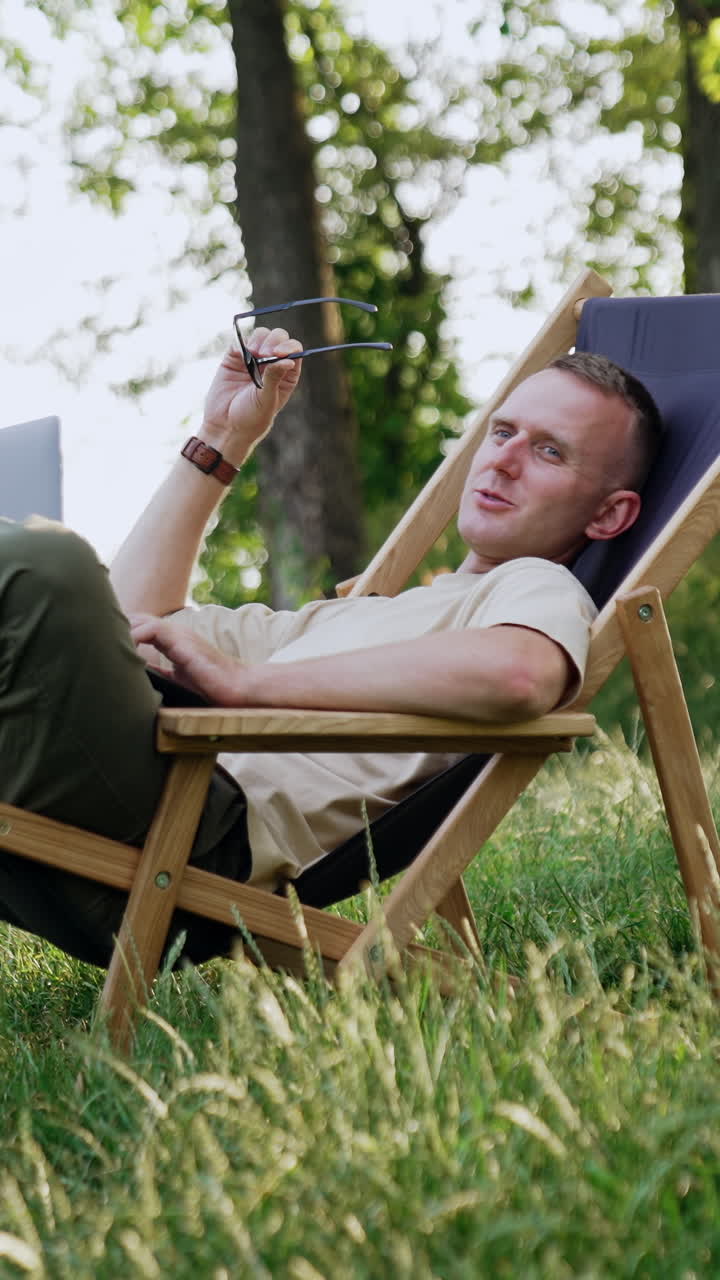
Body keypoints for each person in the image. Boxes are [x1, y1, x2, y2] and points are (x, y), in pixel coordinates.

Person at [0, 327, 663, 967]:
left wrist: (244, 686)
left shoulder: (535, 588)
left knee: (48, 563)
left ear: (608, 515)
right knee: (39, 573)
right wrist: (224, 435)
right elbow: (134, 618)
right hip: (123, 802)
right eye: (502, 431)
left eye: (551, 452)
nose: (503, 460)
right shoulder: (374, 615)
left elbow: (523, 675)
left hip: (191, 833)